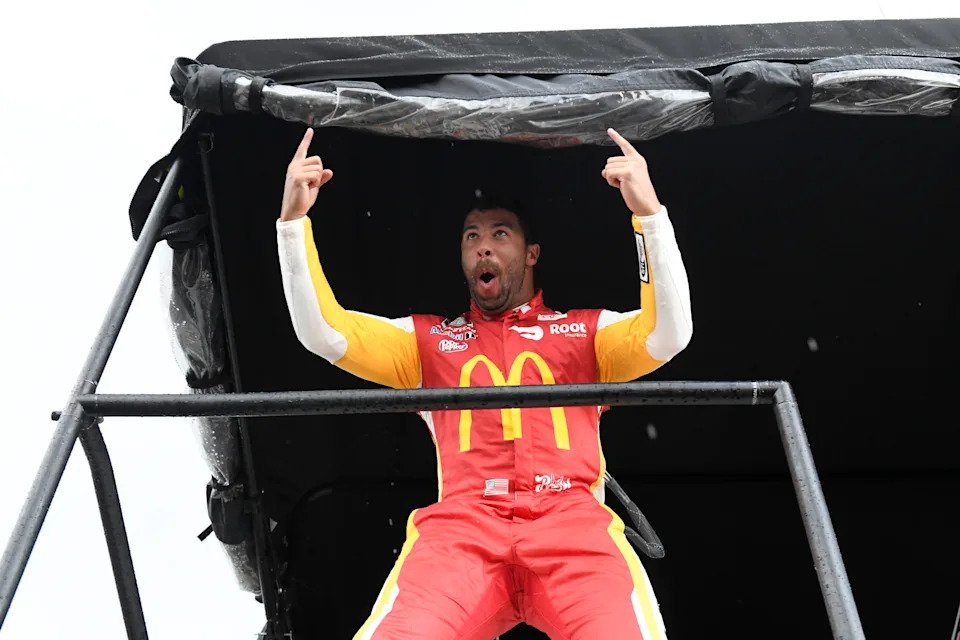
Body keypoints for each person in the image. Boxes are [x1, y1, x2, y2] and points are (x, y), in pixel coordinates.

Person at [276, 126, 693, 640]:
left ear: (531, 253)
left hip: (574, 528)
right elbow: (324, 332)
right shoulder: (426, 341)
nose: (483, 248)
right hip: (462, 534)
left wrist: (649, 216)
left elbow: (669, 334)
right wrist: (292, 223)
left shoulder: (585, 332)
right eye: (471, 237)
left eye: (499, 235)